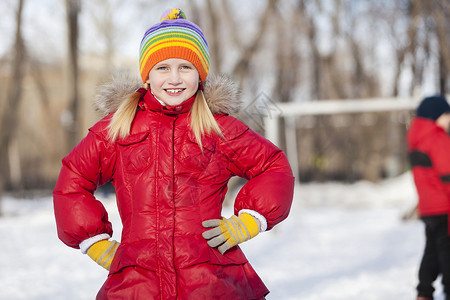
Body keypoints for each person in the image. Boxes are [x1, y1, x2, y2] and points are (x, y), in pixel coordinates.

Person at [53, 8, 295, 300]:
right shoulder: (118, 128)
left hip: (209, 279)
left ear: (200, 74)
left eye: (185, 67)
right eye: (163, 68)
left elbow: (273, 167)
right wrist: (93, 241)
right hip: (137, 281)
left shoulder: (219, 129)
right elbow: (72, 181)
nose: (175, 78)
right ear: (147, 75)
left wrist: (248, 220)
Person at [407, 95, 450, 300]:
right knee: (447, 253)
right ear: (436, 116)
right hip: (444, 206)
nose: (448, 119)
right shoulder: (438, 138)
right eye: (446, 114)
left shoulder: (416, 139)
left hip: (428, 208)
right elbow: (448, 175)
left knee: (432, 250)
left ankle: (424, 291)